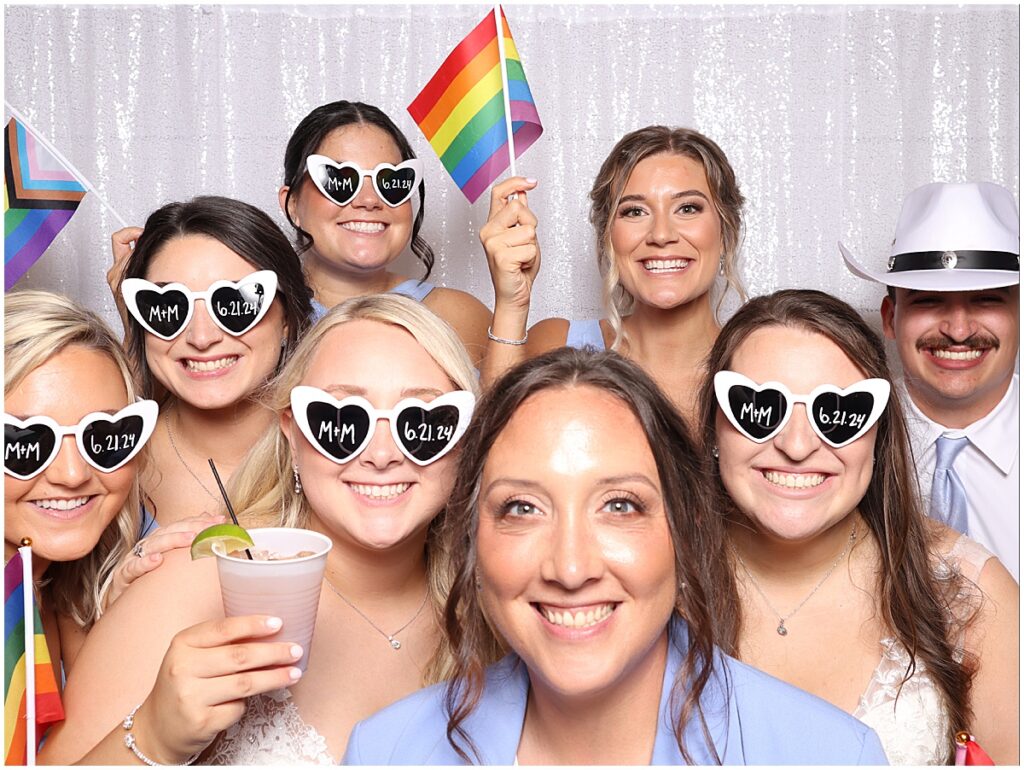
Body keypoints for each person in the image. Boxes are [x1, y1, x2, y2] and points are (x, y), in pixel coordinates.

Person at [345, 347, 887, 765]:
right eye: (522, 508)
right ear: (471, 538)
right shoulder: (386, 752)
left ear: (687, 526)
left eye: (620, 505)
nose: (572, 568)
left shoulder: (832, 755)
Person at [40, 294, 479, 765]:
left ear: (466, 436)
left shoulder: (497, 608)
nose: (381, 453)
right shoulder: (200, 581)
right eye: (341, 420)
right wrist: (154, 738)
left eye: (425, 421)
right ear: (292, 433)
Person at [697, 289, 1018, 764]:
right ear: (715, 426)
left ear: (877, 436)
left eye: (839, 415)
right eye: (760, 408)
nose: (798, 445)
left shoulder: (972, 593)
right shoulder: (653, 579)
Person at [480, 126, 745, 424]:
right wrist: (511, 305)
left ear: (726, 232)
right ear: (608, 236)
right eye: (634, 212)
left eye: (687, 208)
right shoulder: (556, 345)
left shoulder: (763, 360)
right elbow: (496, 455)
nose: (661, 234)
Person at [841, 181, 1020, 580]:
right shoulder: (838, 441)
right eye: (928, 300)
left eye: (988, 298)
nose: (958, 330)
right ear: (890, 318)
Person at [115, 195, 313, 528]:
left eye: (234, 303)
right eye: (168, 308)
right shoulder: (106, 460)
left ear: (287, 319)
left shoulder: (343, 450)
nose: (202, 337)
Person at [4, 290, 157, 690]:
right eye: (27, 442)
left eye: (104, 436)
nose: (72, 474)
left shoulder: (53, 587)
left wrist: (114, 622)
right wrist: (156, 731)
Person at [279, 99, 490, 365]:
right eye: (341, 180)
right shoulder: (258, 319)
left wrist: (512, 303)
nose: (369, 200)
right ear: (292, 204)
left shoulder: (460, 316)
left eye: (391, 182)